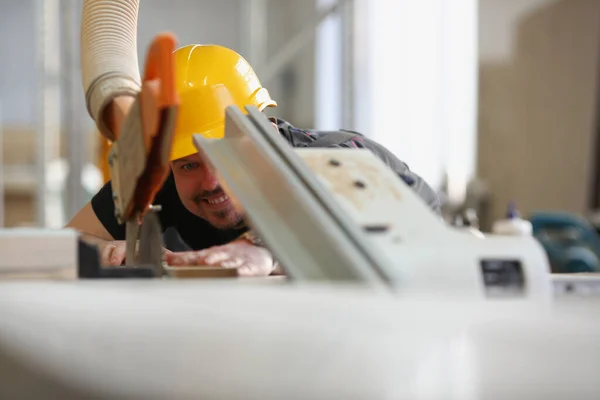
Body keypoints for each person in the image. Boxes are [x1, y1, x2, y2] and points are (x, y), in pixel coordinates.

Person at [67, 44, 441, 277]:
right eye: (188, 164)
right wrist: (108, 249)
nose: (212, 181)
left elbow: (361, 226)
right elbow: (68, 239)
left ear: (267, 131)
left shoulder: (335, 157)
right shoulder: (159, 178)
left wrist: (262, 249)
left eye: (224, 153)